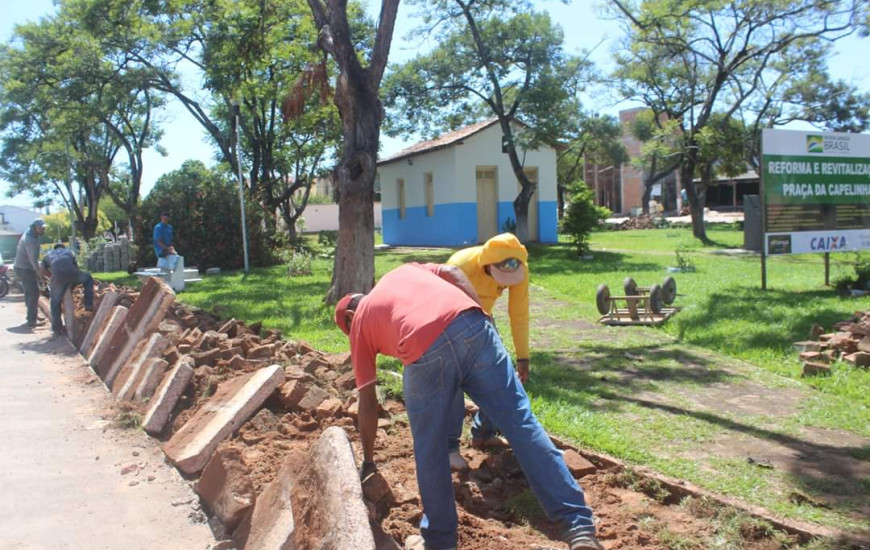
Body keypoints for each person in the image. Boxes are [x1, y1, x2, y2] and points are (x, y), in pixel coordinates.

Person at [334, 263, 602, 550]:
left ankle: (439, 542)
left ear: (350, 316)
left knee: (430, 449)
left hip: (422, 347)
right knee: (522, 424)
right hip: (472, 324)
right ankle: (579, 527)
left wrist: (369, 461)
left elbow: (368, 402)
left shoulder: (359, 322)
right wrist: (481, 314)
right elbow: (454, 271)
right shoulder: (403, 271)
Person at [445, 233, 530, 471]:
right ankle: (450, 448)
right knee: (454, 381)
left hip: (483, 318)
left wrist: (523, 356)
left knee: (502, 377)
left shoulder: (519, 267)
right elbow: (440, 307)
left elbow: (519, 313)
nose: (504, 283)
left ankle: (483, 432)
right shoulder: (458, 266)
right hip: (450, 320)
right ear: (485, 265)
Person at [41, 243, 94, 335]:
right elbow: (75, 267)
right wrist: (73, 281)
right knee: (88, 279)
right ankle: (88, 305)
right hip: (72, 273)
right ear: (63, 247)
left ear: (54, 249)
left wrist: (51, 277)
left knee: (54, 303)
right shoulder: (69, 252)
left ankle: (56, 329)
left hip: (57, 277)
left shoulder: (47, 255)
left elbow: (41, 270)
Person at [13, 218, 47, 328]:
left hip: (24, 267)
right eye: (40, 228)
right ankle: (31, 320)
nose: (42, 230)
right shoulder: (30, 239)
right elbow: (33, 260)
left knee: (30, 292)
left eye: (43, 228)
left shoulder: (32, 234)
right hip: (24, 269)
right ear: (34, 228)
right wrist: (41, 276)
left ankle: (32, 316)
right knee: (34, 292)